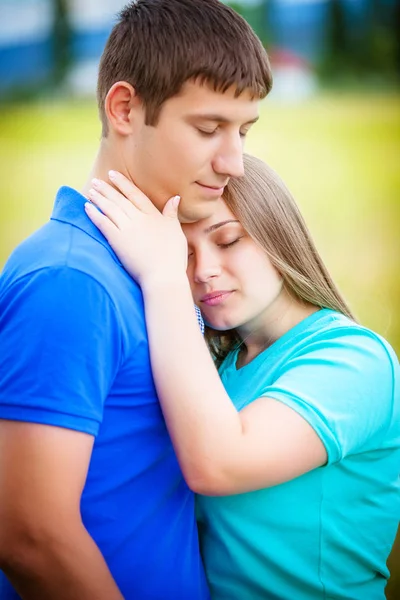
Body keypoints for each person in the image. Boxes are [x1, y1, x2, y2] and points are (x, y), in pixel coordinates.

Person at [0, 1, 272, 598]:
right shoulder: (71, 281)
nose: (234, 162)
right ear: (125, 108)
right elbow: (30, 533)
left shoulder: (169, 271)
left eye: (244, 131)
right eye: (208, 129)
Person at [84, 154, 400, 600]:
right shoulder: (213, 366)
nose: (202, 270)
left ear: (278, 236)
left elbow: (219, 465)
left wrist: (161, 276)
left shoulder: (354, 360)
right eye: (183, 254)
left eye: (228, 241)